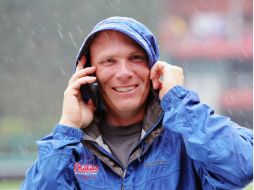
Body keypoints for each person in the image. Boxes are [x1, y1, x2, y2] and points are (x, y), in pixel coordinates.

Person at [21, 16, 253, 190]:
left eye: (135, 58)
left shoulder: (189, 133)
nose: (124, 73)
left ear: (154, 67)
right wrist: (67, 127)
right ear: (87, 74)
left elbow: (241, 168)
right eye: (109, 61)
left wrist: (179, 101)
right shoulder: (70, 148)